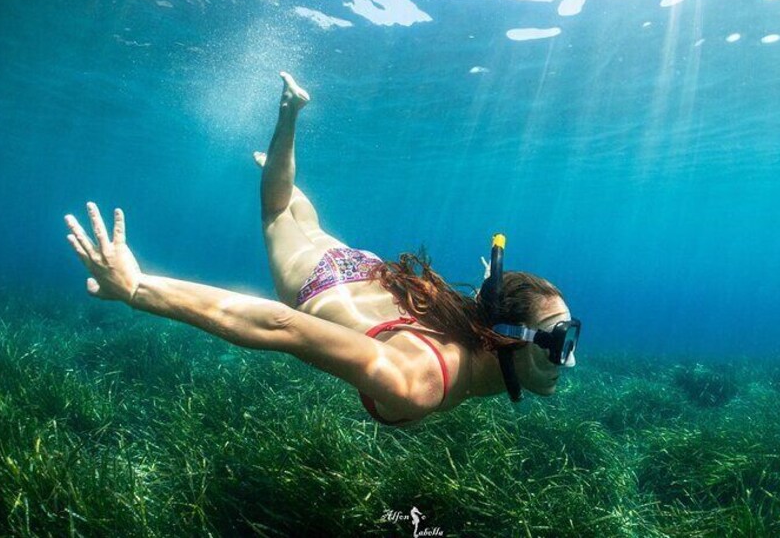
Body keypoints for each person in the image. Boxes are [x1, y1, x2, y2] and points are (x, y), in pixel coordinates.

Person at [64, 73, 579, 427]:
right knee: (277, 212)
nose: (568, 360)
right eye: (559, 342)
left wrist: (497, 287)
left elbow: (492, 299)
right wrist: (138, 289)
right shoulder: (418, 382)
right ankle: (287, 120)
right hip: (322, 282)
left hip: (367, 273)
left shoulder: (476, 321)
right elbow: (281, 327)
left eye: (569, 340)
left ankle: (284, 140)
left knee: (296, 213)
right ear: (506, 338)